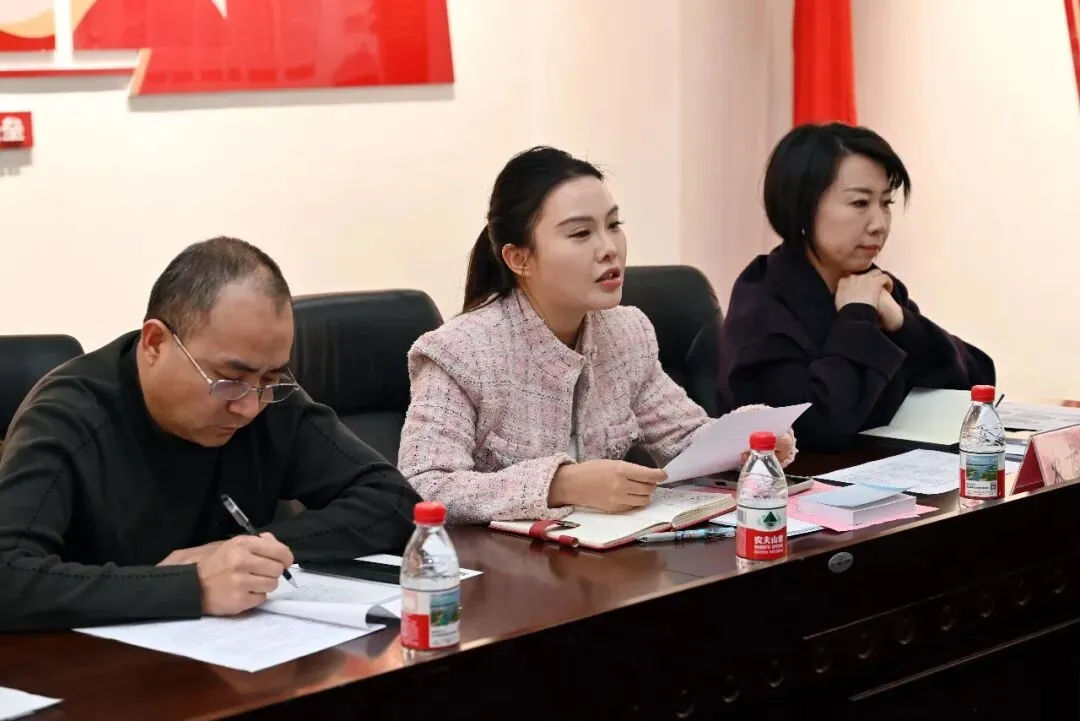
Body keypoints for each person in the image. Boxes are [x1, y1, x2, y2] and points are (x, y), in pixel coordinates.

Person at [0, 237, 420, 632]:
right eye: (228, 380)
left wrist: (251, 551)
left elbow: (394, 502)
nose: (249, 407)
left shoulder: (266, 397)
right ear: (155, 343)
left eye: (270, 378)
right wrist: (192, 586)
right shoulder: (68, 415)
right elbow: (8, 574)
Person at [398, 146, 796, 525]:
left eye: (613, 225)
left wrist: (745, 440)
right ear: (519, 258)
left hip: (608, 559)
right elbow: (424, 486)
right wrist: (560, 484)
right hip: (500, 567)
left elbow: (684, 438)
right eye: (580, 233)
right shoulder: (460, 351)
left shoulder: (626, 333)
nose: (609, 249)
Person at [725, 123, 995, 452]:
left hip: (892, 472)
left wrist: (904, 324)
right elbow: (814, 429)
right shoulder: (761, 302)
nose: (879, 224)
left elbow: (978, 384)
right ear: (802, 206)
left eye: (886, 203)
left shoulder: (875, 286)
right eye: (859, 203)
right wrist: (857, 316)